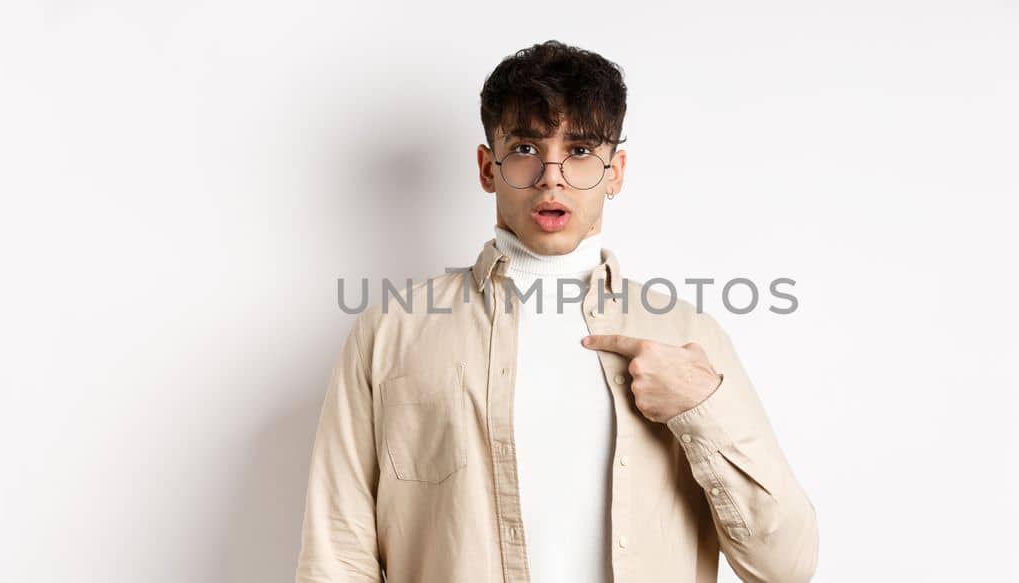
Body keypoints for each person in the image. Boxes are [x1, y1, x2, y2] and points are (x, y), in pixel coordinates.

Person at [296, 40, 818, 583]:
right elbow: (337, 555)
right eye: (525, 148)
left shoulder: (686, 334)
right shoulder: (391, 332)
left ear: (615, 171)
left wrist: (701, 407)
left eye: (580, 151)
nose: (552, 177)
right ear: (485, 167)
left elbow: (786, 566)